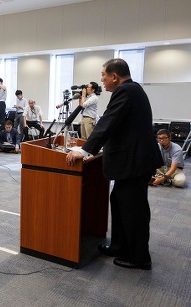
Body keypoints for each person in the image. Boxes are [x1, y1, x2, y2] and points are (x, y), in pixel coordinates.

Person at [66, 58, 162, 270]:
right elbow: (120, 127)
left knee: (133, 209)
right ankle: (119, 245)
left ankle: (139, 257)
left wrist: (84, 150)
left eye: (103, 76)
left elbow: (108, 122)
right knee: (119, 201)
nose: (102, 81)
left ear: (114, 76)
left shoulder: (125, 91)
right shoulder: (131, 89)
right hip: (133, 160)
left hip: (134, 162)